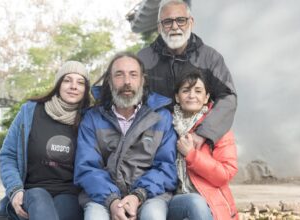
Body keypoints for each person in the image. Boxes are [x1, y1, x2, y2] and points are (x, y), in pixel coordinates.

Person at [74, 52, 177, 220]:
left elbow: (166, 167)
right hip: (102, 197)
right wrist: (113, 201)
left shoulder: (161, 118)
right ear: (109, 81)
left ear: (142, 80)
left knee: (154, 216)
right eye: (119, 75)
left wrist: (138, 196)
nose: (127, 82)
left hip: (150, 195)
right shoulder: (92, 118)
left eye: (133, 75)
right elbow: (86, 168)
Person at [0, 61, 91, 220]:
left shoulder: (90, 119)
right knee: (38, 197)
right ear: (58, 84)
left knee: (59, 209)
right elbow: (8, 155)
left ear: (85, 90)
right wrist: (15, 190)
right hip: (31, 191)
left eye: (80, 82)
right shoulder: (31, 111)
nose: (73, 86)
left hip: (70, 194)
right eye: (67, 80)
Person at [138, 0, 237, 149]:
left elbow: (227, 97)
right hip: (154, 144)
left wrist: (203, 134)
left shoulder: (210, 58)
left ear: (191, 22)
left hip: (198, 142)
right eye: (167, 22)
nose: (175, 26)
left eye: (181, 20)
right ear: (159, 27)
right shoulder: (143, 59)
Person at [167, 69, 238, 220]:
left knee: (197, 203)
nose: (192, 95)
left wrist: (192, 155)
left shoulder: (218, 129)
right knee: (194, 203)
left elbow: (225, 174)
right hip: (175, 200)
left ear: (206, 98)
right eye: (186, 90)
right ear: (177, 97)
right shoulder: (166, 126)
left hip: (210, 202)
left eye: (198, 91)